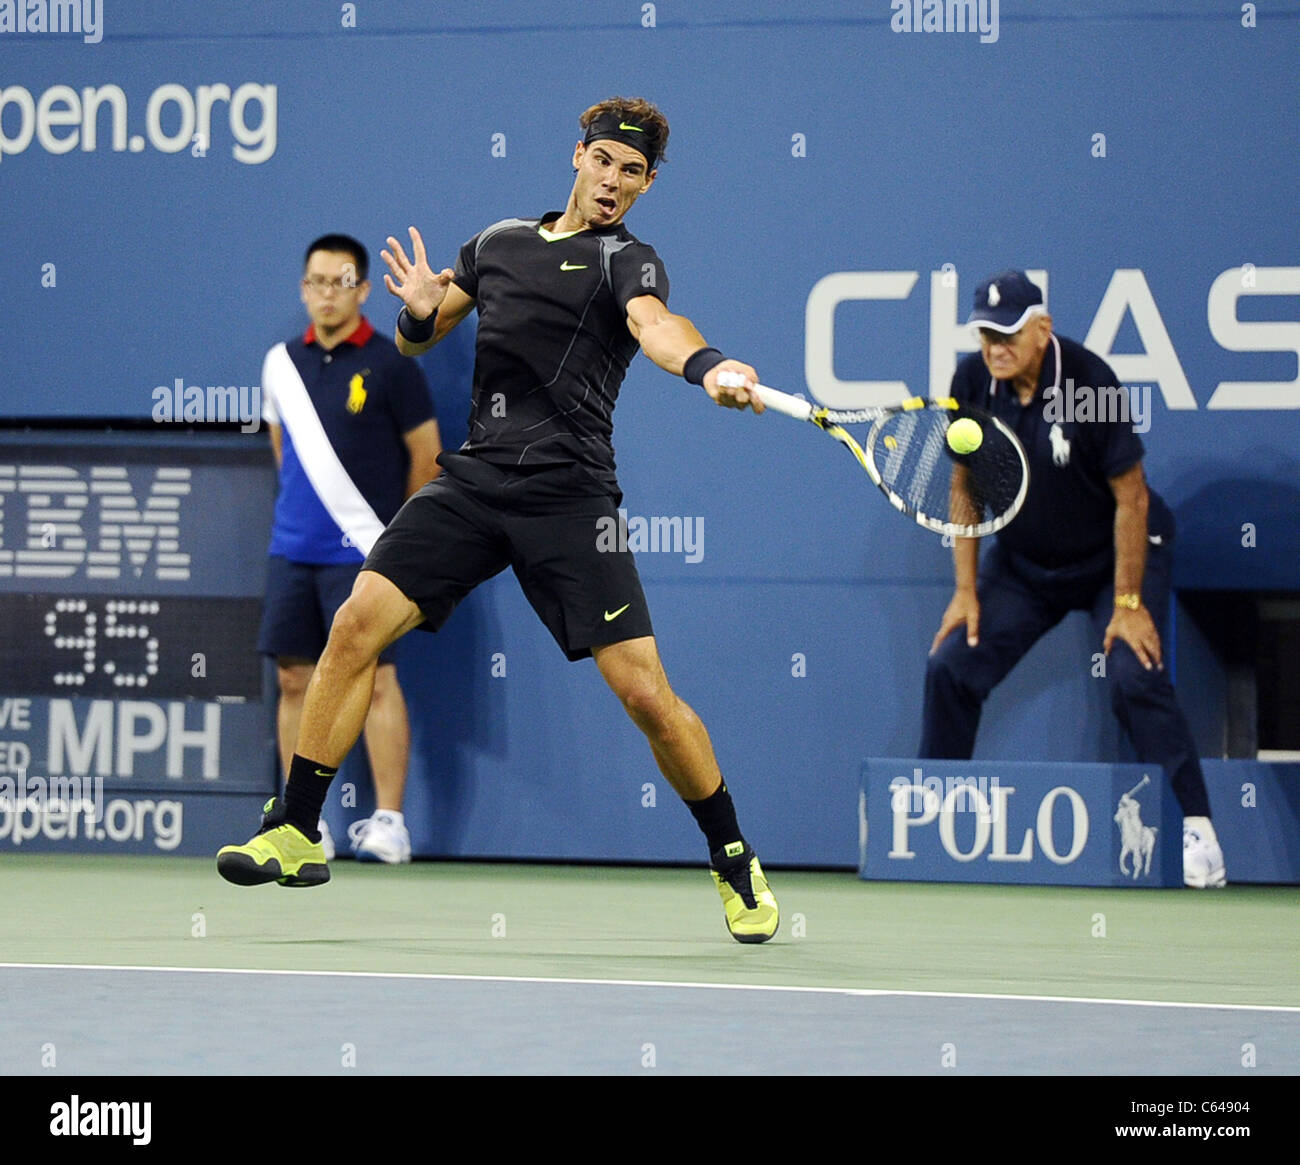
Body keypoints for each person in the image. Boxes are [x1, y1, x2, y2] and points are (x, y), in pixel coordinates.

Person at [219, 98, 779, 942]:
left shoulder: (629, 261)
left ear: (648, 183)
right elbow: (420, 335)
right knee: (355, 624)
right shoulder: (498, 243)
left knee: (645, 694)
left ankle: (733, 856)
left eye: (633, 173)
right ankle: (298, 826)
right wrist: (414, 310)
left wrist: (706, 367)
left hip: (571, 498)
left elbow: (657, 327)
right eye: (604, 163)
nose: (613, 183)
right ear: (578, 157)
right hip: (477, 482)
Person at [919, 270, 1226, 888]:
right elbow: (964, 488)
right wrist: (965, 591)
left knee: (1133, 673)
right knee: (951, 665)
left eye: (1007, 334)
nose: (994, 347)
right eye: (985, 334)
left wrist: (1129, 602)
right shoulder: (971, 380)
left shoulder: (1089, 382)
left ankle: (1198, 833)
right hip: (1028, 567)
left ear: (1042, 330)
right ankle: (934, 823)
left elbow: (1132, 499)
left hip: (1114, 557)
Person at [256, 234, 442, 863]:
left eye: (339, 282)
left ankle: (389, 821)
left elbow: (427, 459)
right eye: (315, 282)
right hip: (293, 550)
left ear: (363, 290)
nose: (326, 295)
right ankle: (302, 824)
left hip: (365, 553)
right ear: (303, 288)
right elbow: (284, 454)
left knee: (377, 678)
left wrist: (395, 538)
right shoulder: (280, 364)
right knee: (292, 680)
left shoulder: (394, 366)